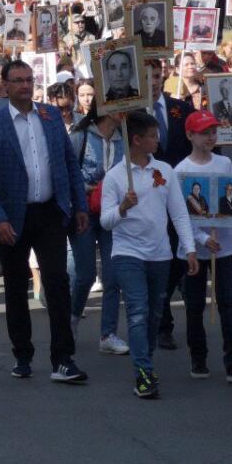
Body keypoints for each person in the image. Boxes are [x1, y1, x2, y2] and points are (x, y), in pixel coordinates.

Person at [0, 59, 90, 382]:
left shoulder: (50, 116)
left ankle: (63, 357)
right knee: (15, 286)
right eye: (19, 81)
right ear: (6, 86)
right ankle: (22, 354)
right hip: (11, 217)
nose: (26, 85)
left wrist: (78, 205)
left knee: (56, 282)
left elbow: (69, 163)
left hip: (51, 212)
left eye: (30, 80)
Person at [99, 110, 198, 399]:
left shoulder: (164, 171)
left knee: (155, 311)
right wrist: (122, 208)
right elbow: (105, 221)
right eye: (153, 136)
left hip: (160, 254)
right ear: (137, 140)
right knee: (138, 311)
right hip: (127, 253)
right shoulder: (116, 177)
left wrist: (189, 248)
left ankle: (147, 359)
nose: (158, 140)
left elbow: (178, 212)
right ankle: (143, 371)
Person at [174, 111, 232, 384]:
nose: (210, 137)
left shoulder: (226, 162)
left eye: (213, 131)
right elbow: (180, 214)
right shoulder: (180, 170)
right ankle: (199, 357)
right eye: (204, 132)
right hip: (194, 249)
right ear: (190, 135)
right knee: (194, 305)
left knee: (228, 303)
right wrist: (202, 239)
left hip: (224, 247)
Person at [70, 107, 129, 355]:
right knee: (85, 274)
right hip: (83, 211)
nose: (125, 112)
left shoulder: (125, 139)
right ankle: (71, 320)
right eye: (120, 107)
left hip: (112, 211)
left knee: (113, 275)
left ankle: (108, 333)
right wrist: (91, 188)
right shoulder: (81, 135)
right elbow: (67, 171)